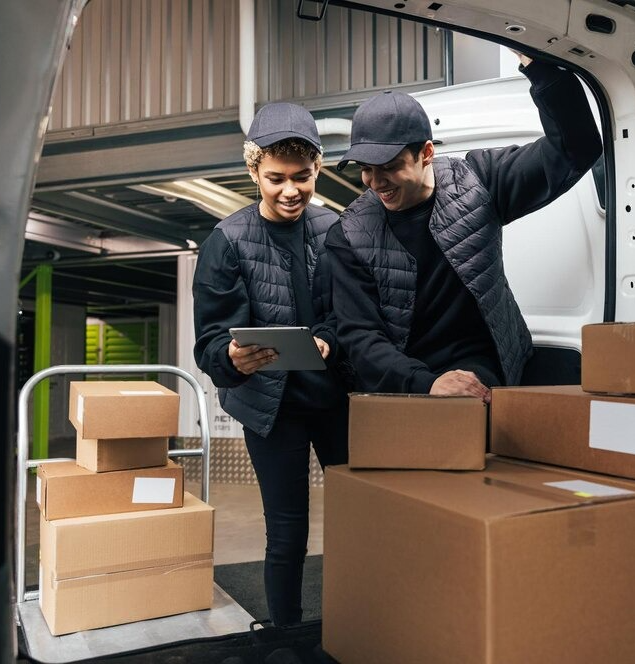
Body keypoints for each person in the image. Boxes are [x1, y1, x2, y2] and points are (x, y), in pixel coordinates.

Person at [324, 54, 602, 400]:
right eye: (365, 168)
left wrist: (538, 67)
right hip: (402, 387)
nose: (375, 181)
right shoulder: (349, 235)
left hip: (487, 370)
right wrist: (426, 383)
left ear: (426, 153)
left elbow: (576, 149)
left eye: (389, 167)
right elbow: (361, 337)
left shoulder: (478, 182)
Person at [192, 102, 348, 627]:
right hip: (269, 407)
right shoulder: (228, 241)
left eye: (301, 178)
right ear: (253, 171)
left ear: (317, 169)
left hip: (334, 402)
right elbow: (209, 339)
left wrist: (328, 337)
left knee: (359, 520)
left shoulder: (336, 230)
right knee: (287, 531)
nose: (290, 191)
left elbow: (350, 313)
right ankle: (283, 632)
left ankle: (361, 621)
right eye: (276, 178)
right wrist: (231, 357)